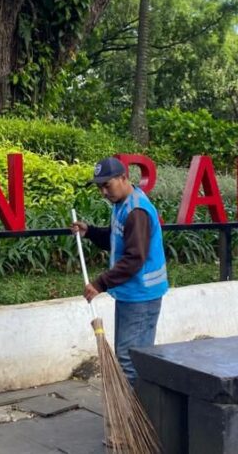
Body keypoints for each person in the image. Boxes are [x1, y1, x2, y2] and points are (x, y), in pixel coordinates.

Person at [71, 156, 169, 386]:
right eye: (100, 187)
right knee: (134, 356)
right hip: (132, 294)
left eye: (107, 185)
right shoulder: (123, 204)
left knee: (131, 359)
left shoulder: (136, 211)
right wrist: (91, 232)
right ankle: (138, 415)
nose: (104, 192)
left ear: (124, 178)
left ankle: (136, 417)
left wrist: (99, 284)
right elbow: (117, 240)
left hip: (142, 296)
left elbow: (134, 258)